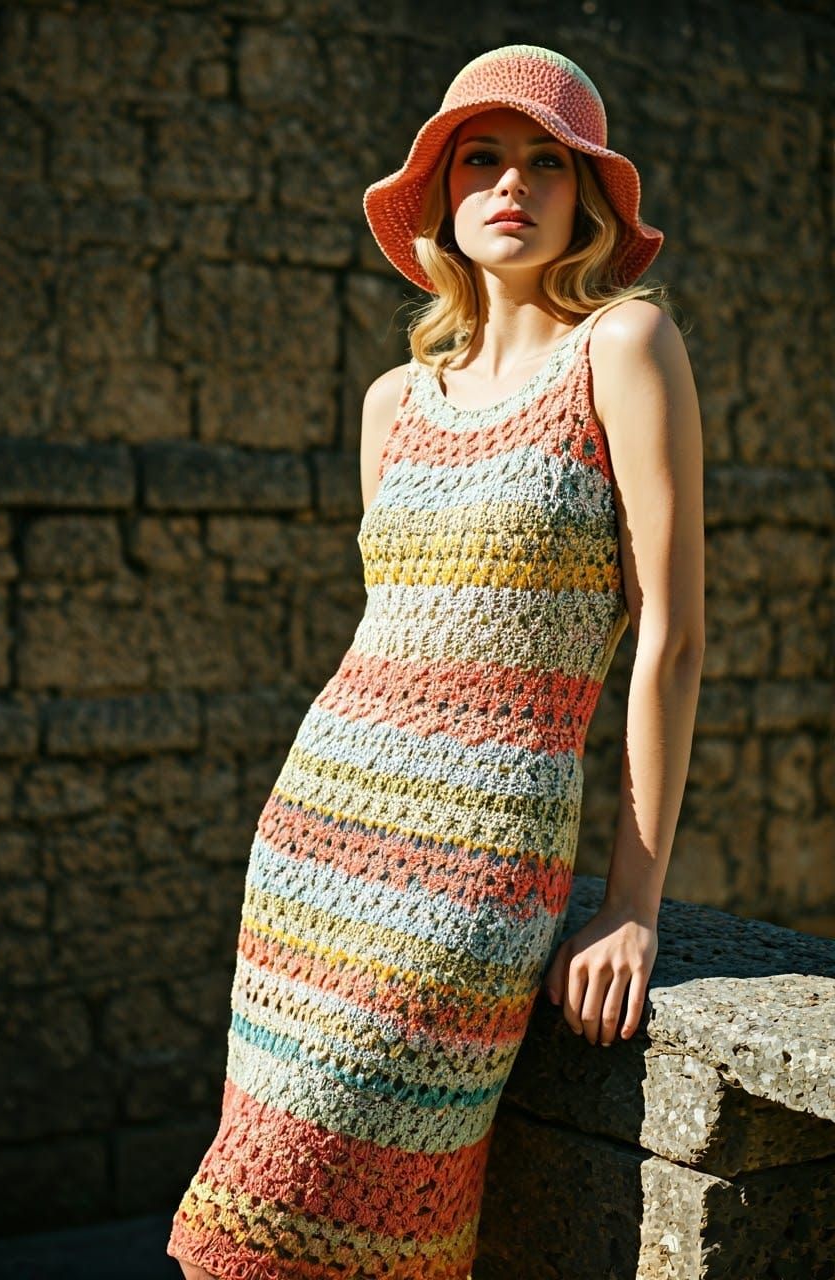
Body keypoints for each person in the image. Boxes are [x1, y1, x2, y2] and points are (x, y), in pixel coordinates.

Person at [167, 43, 705, 1280]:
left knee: (327, 1194)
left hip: (476, 860)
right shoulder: (390, 400)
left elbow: (669, 640)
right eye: (482, 158)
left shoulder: (621, 350)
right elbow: (390, 632)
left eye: (544, 163)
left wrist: (629, 901)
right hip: (314, 837)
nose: (510, 183)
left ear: (586, 199)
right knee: (255, 1199)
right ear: (445, 195)